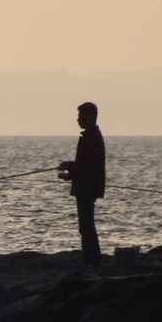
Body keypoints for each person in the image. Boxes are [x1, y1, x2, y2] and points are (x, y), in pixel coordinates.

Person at [59, 102, 105, 267]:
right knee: (86, 226)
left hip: (87, 188)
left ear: (90, 117)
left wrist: (68, 167)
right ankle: (92, 260)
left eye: (80, 116)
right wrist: (70, 174)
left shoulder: (91, 137)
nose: (78, 119)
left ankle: (92, 261)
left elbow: (86, 165)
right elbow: (84, 165)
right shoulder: (91, 136)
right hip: (87, 187)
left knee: (86, 226)